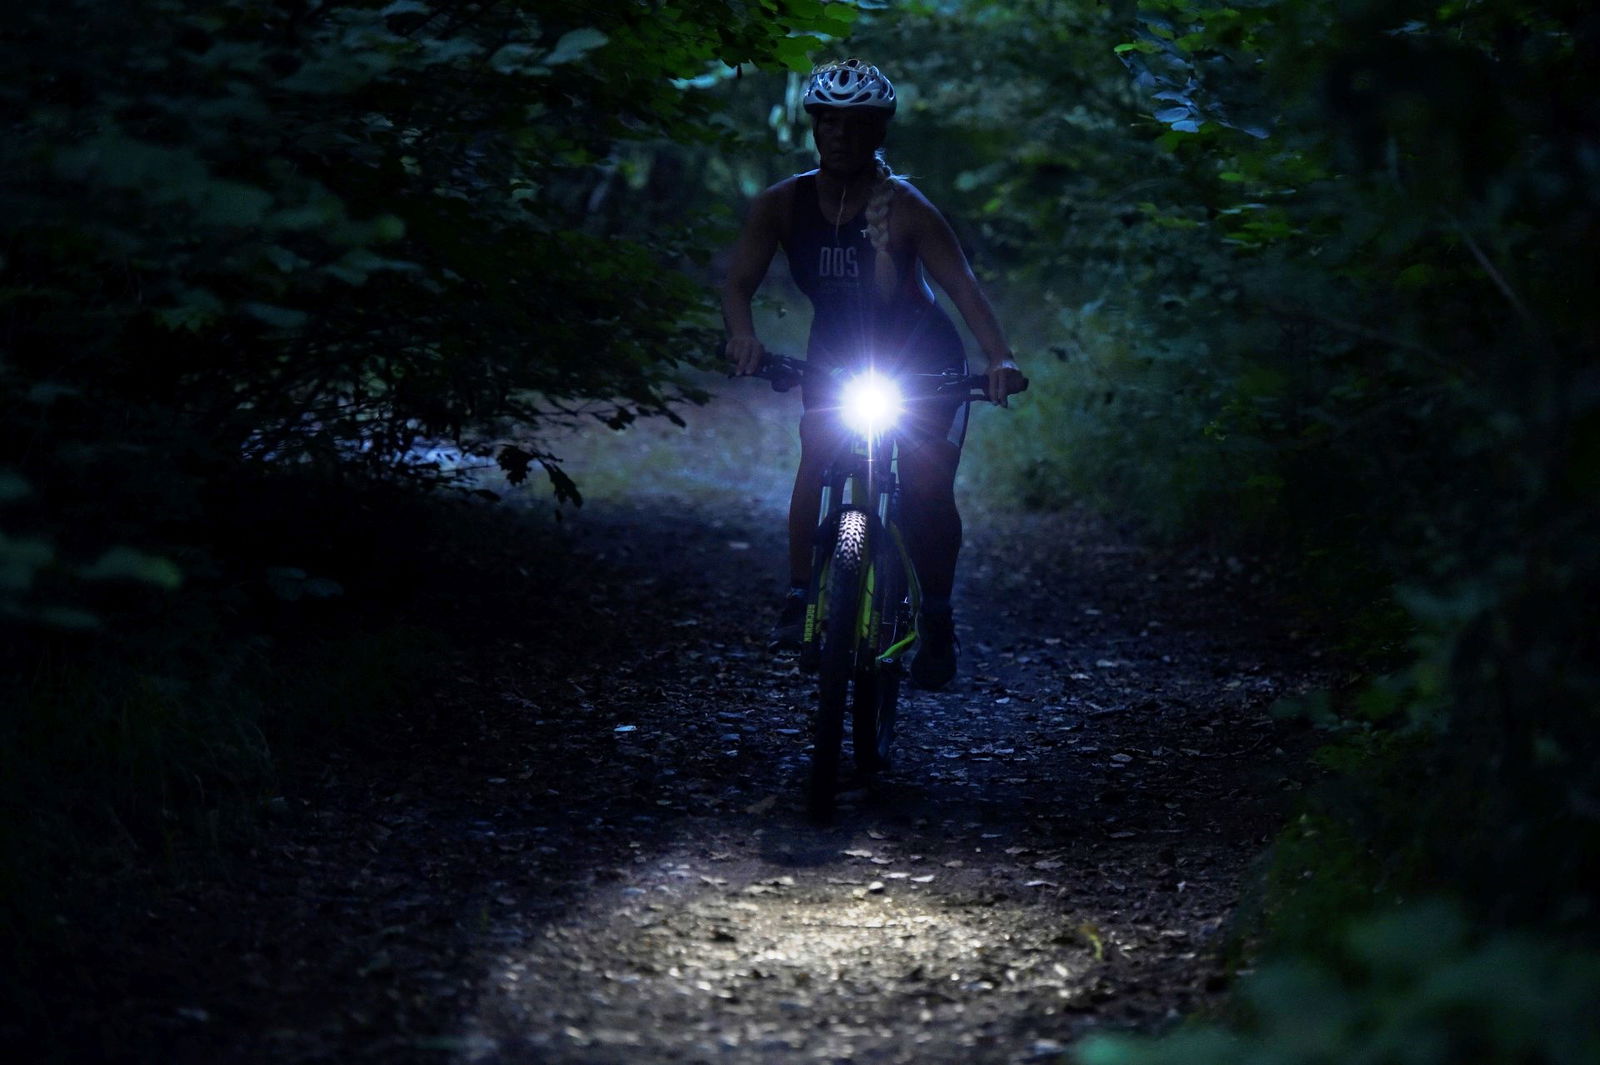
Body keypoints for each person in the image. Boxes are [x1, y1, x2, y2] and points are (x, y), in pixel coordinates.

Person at [722, 58, 1025, 691]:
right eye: (828, 121)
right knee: (817, 453)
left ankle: (936, 617)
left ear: (879, 131)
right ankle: (800, 594)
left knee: (926, 488)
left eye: (856, 123)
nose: (840, 134)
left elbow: (963, 287)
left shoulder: (909, 208)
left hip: (924, 361)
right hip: (837, 357)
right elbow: (738, 284)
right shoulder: (781, 204)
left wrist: (999, 357)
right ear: (813, 127)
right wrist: (743, 336)